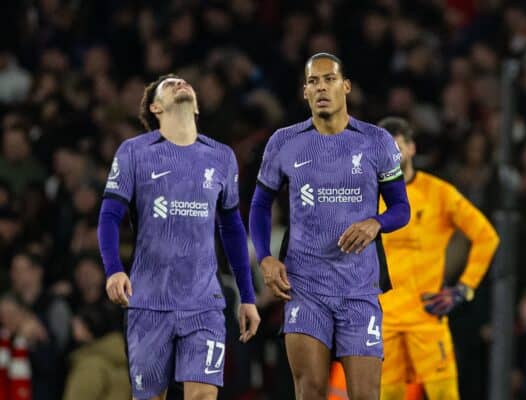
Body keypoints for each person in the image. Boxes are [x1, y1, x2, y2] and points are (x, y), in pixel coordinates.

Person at [249, 53, 411, 400]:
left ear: (346, 86)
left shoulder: (376, 141)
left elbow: (401, 209)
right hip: (305, 286)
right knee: (311, 391)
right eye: (312, 81)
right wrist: (265, 257)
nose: (321, 87)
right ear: (305, 93)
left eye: (329, 79)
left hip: (359, 288)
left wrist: (376, 222)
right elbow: (260, 205)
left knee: (366, 395)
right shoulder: (284, 142)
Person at [97, 74, 260, 400]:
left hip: (204, 302)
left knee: (202, 396)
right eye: (169, 84)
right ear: (156, 106)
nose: (179, 83)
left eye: (184, 82)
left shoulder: (221, 156)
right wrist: (114, 268)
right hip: (149, 301)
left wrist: (248, 296)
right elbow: (109, 216)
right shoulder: (134, 152)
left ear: (196, 105)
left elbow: (232, 229)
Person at [377, 117, 499, 400]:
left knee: (444, 395)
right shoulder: (367, 196)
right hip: (384, 319)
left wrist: (464, 288)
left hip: (427, 316)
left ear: (411, 149)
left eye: (397, 148)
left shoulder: (438, 193)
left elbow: (486, 236)